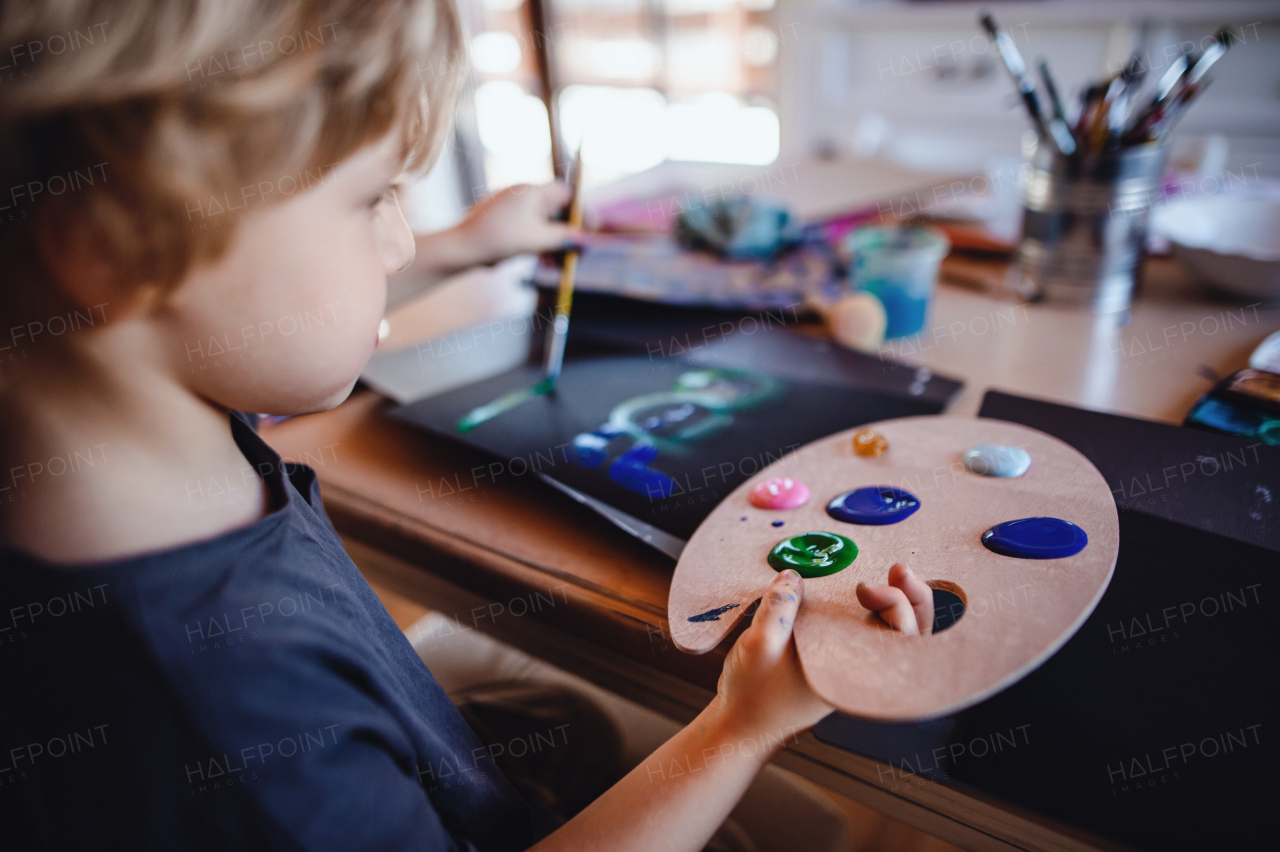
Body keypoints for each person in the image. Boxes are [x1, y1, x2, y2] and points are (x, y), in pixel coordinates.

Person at [0, 2, 935, 849]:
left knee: (573, 717)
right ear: (114, 247)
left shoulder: (107, 409)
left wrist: (467, 247)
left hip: (457, 761)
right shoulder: (238, 726)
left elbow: (227, 315)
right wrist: (742, 727)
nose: (402, 240)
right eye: (371, 199)